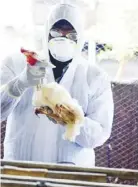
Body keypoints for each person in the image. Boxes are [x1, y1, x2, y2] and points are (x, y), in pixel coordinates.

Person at [0, 3, 114, 166]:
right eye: (57, 31)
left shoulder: (94, 76)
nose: (63, 38)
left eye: (71, 34)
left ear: (80, 36)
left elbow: (99, 134)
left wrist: (74, 121)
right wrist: (20, 83)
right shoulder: (17, 63)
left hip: (69, 177)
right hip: (21, 170)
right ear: (46, 32)